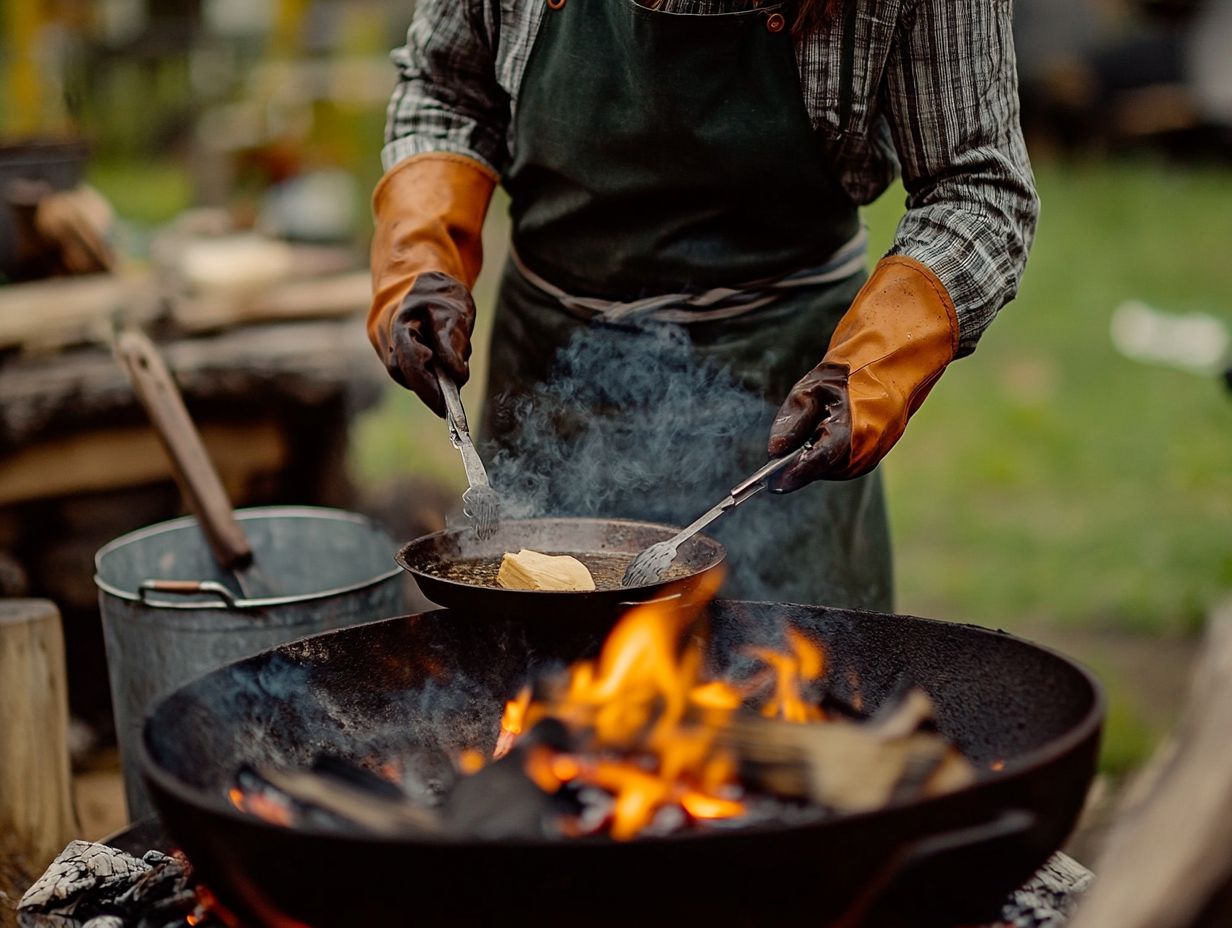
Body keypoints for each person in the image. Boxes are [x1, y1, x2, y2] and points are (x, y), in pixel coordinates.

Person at [368, 0, 1039, 610]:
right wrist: (423, 254)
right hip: (550, 376)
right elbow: (445, 89)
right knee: (536, 720)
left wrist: (875, 363)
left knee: (793, 712)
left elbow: (976, 185)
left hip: (781, 412)